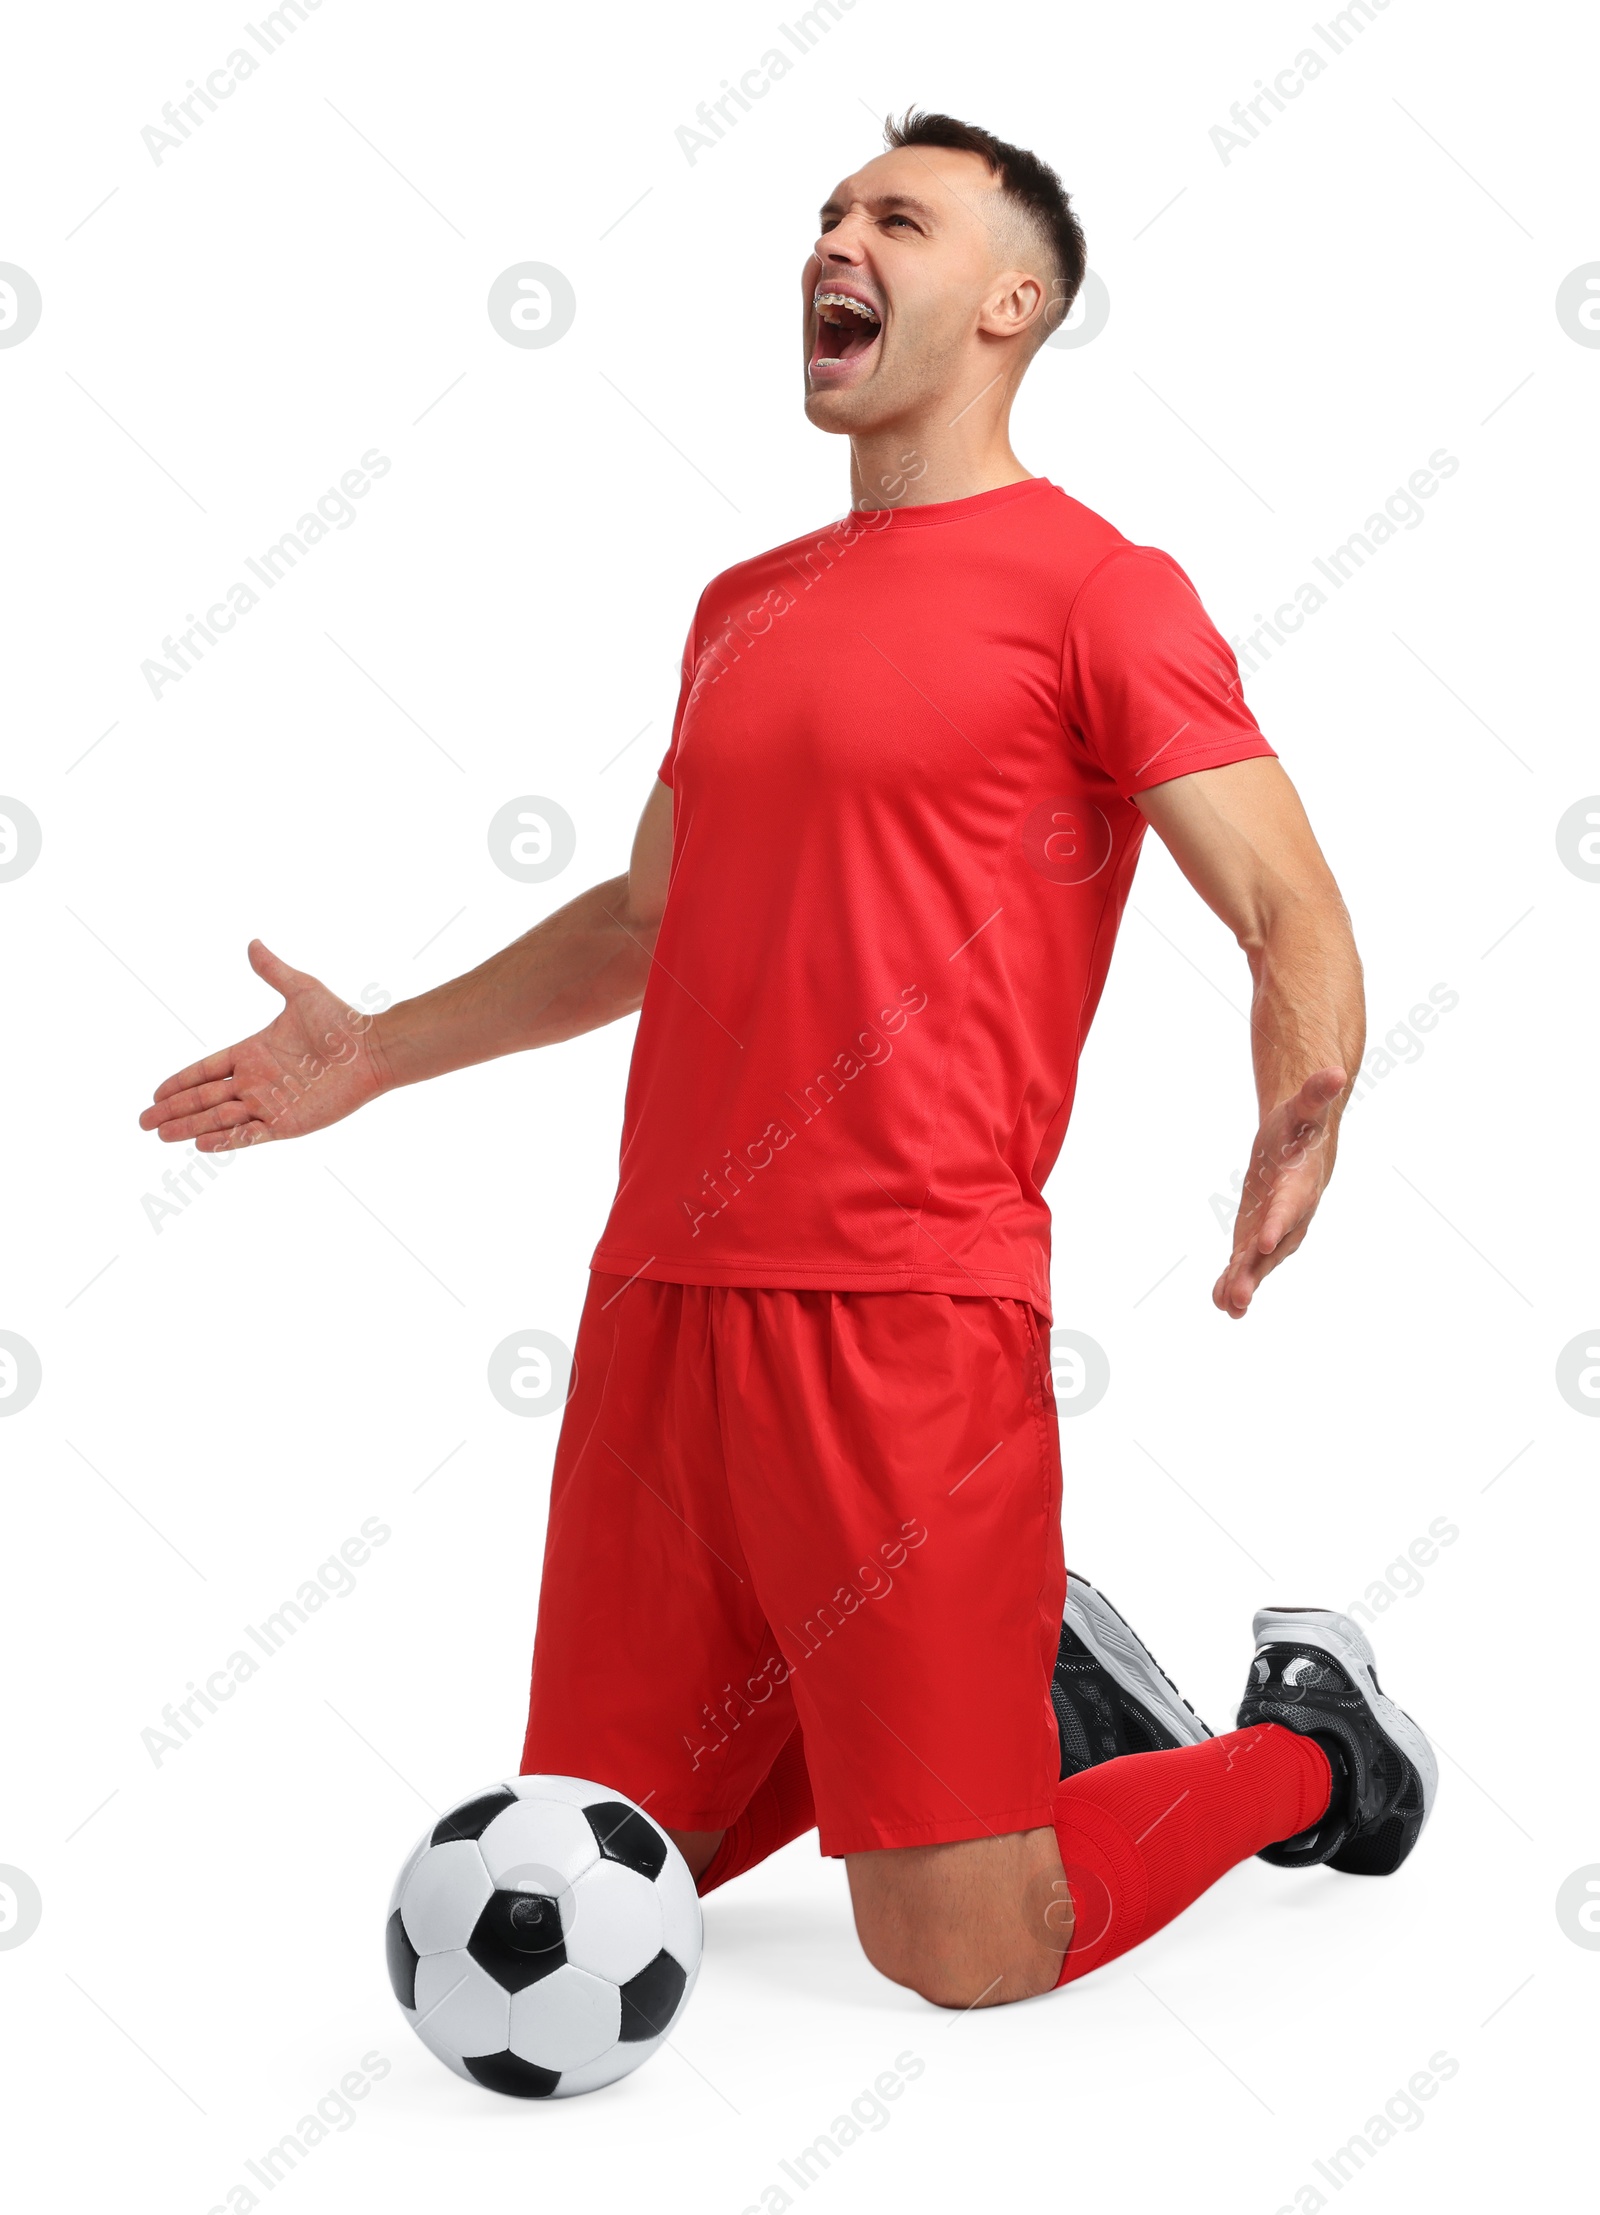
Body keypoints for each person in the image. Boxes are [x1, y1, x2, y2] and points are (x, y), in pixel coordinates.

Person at [140, 110, 1435, 2010]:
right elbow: (644, 923)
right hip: (663, 1311)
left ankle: (1311, 1744)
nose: (836, 240)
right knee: (607, 1857)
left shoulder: (1099, 589)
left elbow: (1285, 903)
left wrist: (1302, 1084)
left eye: (894, 218)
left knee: (961, 1950)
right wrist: (376, 1058)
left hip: (908, 1323)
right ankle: (1005, 1690)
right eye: (828, 213)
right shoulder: (740, 610)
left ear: (1013, 303)